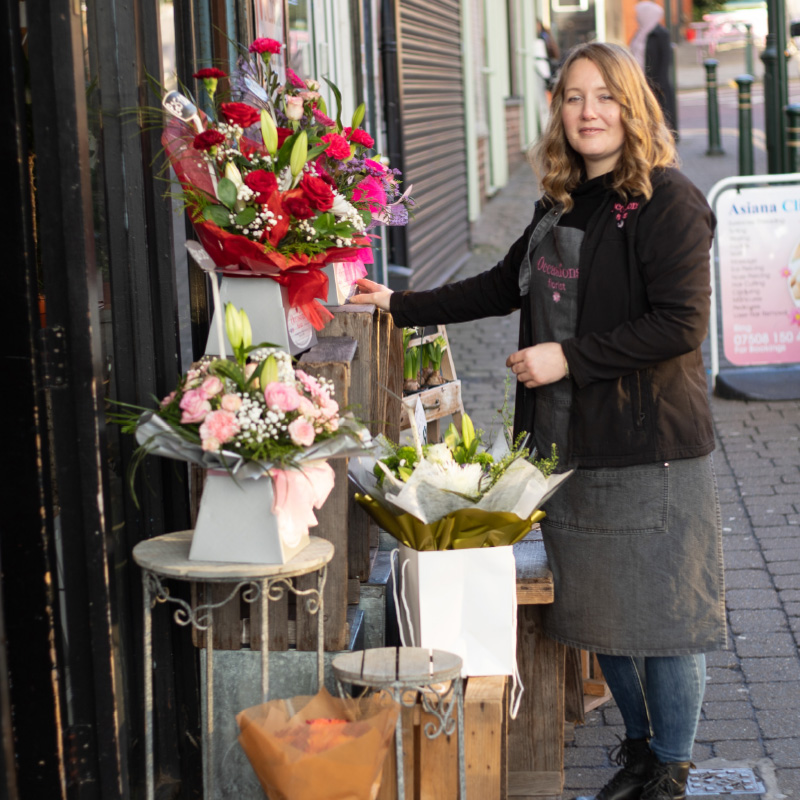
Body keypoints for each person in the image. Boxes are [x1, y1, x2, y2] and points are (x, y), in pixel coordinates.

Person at [352, 42, 724, 800]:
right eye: (574, 97)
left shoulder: (670, 201)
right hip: (567, 442)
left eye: (606, 96)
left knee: (664, 619)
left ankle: (671, 769)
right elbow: (501, 285)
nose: (589, 112)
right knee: (598, 612)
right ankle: (639, 751)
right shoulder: (561, 200)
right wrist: (399, 303)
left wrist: (568, 358)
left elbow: (680, 324)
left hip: (646, 447)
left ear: (633, 106)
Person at [630, 0, 677, 133]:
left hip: (655, 83)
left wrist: (657, 85)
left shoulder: (661, 34)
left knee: (660, 117)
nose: (636, 17)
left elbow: (664, 61)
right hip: (640, 80)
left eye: (639, 14)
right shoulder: (640, 33)